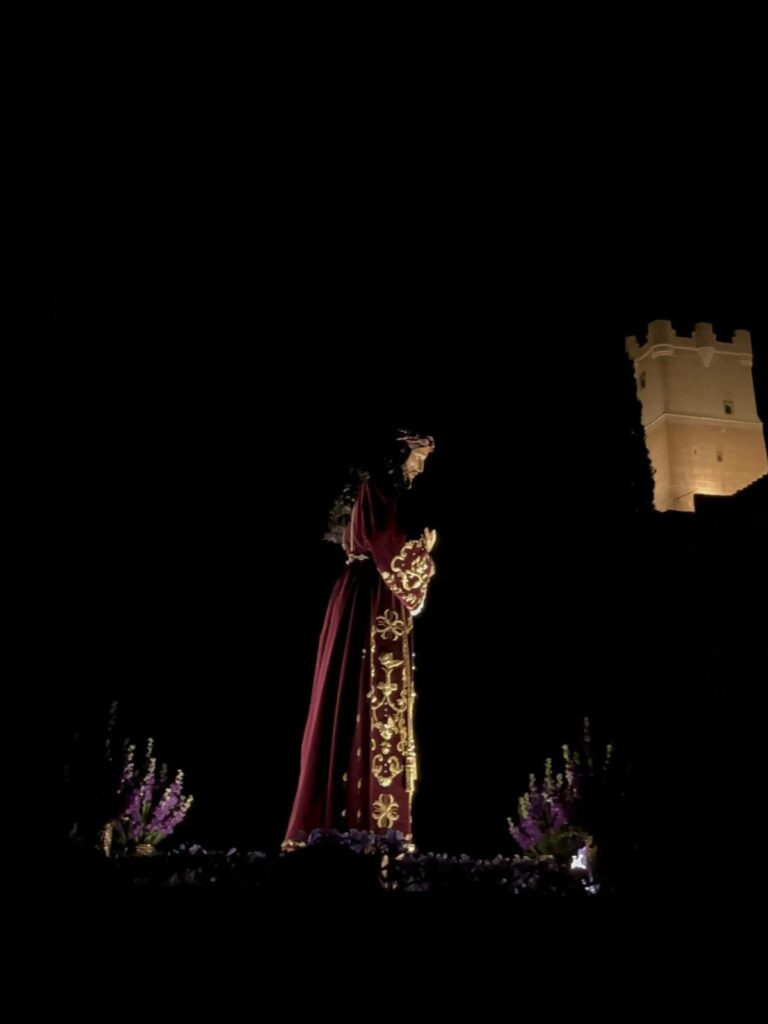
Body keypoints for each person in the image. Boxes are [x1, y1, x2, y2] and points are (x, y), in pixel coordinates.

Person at [284, 430, 437, 846]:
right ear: (398, 456)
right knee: (362, 693)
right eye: (417, 457)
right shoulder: (377, 490)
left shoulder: (376, 492)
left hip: (366, 596)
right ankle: (366, 830)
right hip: (372, 599)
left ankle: (358, 827)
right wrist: (424, 554)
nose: (420, 467)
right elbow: (386, 544)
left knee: (359, 694)